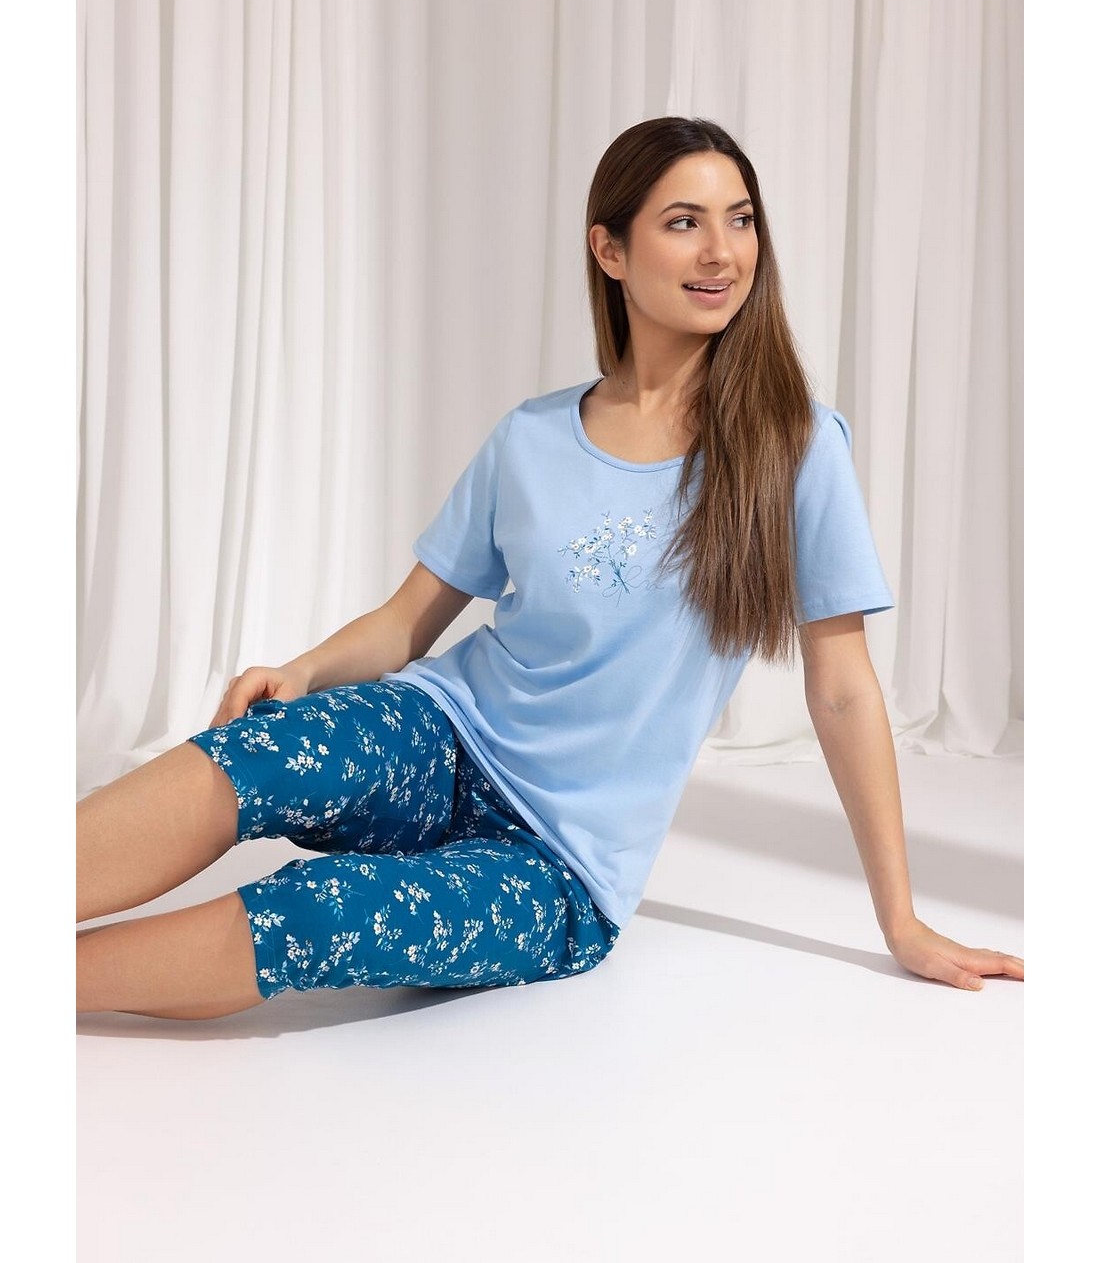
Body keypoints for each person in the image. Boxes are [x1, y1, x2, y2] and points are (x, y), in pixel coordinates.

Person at [76, 115, 1024, 1019]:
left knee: (321, 913)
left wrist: (901, 920)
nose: (721, 253)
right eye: (684, 223)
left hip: (562, 865)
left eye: (740, 221)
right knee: (260, 754)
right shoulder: (531, 436)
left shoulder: (796, 446)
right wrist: (306, 671)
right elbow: (408, 620)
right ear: (610, 250)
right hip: (446, 738)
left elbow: (845, 688)